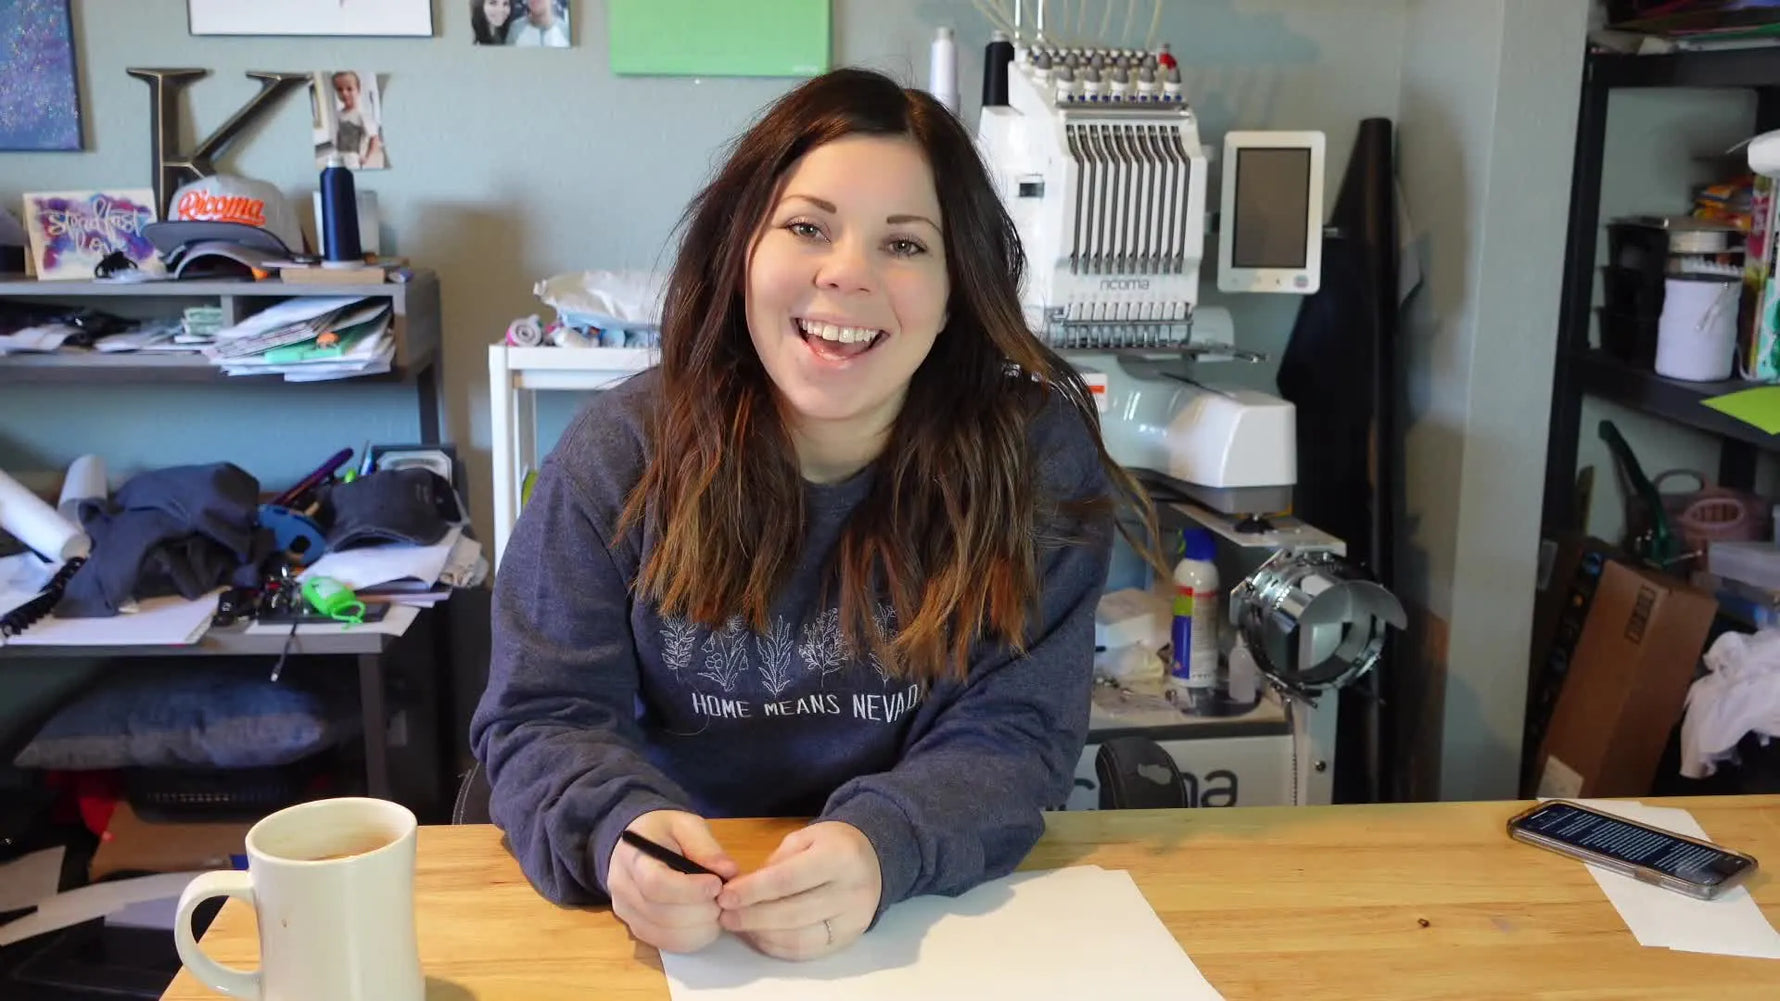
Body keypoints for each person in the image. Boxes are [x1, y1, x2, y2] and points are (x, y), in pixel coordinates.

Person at [469, 67, 1160, 962]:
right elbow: (541, 714)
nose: (847, 274)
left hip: (923, 910)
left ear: (960, 289)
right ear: (741, 251)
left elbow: (1019, 729)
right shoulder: (619, 454)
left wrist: (883, 844)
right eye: (807, 227)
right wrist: (622, 838)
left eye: (905, 245)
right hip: (679, 922)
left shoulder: (1033, 460)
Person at [329, 71, 385, 169]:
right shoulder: (339, 114)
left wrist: (366, 157)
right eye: (339, 89)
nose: (344, 93)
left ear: (358, 90)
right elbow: (338, 134)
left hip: (353, 157)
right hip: (339, 154)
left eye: (349, 89)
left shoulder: (361, 115)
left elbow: (374, 138)